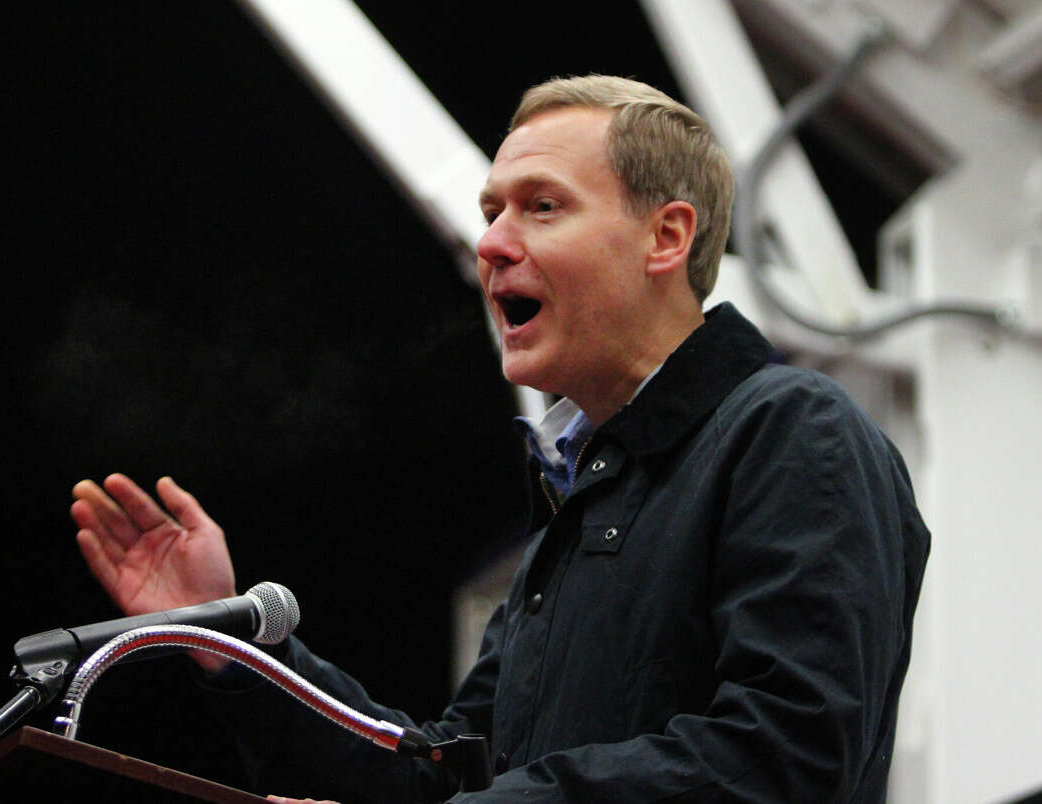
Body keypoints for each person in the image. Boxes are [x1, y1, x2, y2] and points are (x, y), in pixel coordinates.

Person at [70, 75, 929, 803]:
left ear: (666, 237)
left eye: (542, 207)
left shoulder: (794, 430)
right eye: (491, 211)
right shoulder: (582, 496)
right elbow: (444, 768)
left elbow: (787, 756)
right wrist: (229, 646)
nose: (491, 242)